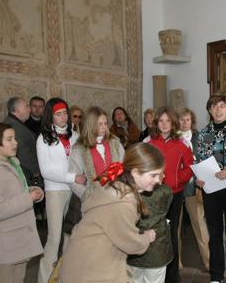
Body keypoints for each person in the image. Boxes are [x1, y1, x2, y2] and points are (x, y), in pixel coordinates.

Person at [59, 143, 160, 283]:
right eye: (153, 175)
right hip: (91, 271)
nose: (158, 180)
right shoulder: (122, 201)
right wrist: (146, 238)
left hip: (84, 262)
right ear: (136, 172)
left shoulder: (114, 183)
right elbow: (130, 242)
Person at [0, 122, 44, 283]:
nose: (15, 142)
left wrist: (32, 191)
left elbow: (13, 193)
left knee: (19, 279)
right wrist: (28, 198)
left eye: (14, 138)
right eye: (9, 139)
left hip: (17, 238)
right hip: (5, 242)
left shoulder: (11, 164)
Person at [196, 94, 226, 283]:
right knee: (215, 233)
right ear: (209, 110)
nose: (218, 109)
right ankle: (216, 275)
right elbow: (199, 160)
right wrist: (198, 179)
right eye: (215, 106)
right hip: (211, 189)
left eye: (222, 106)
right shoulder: (203, 133)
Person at [36, 98, 86, 283]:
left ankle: (65, 277)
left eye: (65, 112)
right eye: (58, 114)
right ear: (50, 116)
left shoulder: (74, 135)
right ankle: (44, 279)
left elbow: (80, 160)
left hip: (75, 191)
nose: (63, 117)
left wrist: (82, 176)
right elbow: (46, 171)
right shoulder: (43, 138)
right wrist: (73, 177)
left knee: (70, 237)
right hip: (55, 191)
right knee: (54, 238)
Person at [147, 107, 194, 283]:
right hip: (155, 195)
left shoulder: (181, 144)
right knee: (156, 233)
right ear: (156, 124)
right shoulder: (151, 145)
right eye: (161, 121)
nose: (164, 124)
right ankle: (155, 271)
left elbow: (189, 166)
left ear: (173, 123)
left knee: (172, 233)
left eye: (168, 121)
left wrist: (179, 180)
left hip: (175, 194)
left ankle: (172, 276)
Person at [64, 106, 125, 240]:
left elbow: (122, 167)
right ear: (91, 125)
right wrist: (88, 195)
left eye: (105, 123)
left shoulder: (114, 142)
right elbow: (73, 179)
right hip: (92, 202)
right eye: (100, 124)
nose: (104, 127)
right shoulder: (79, 147)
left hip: (114, 199)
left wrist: (114, 188)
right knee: (94, 241)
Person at [177, 107, 210, 271]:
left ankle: (208, 261)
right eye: (181, 119)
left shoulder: (200, 137)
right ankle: (176, 262)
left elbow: (205, 160)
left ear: (192, 121)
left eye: (187, 119)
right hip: (175, 188)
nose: (184, 123)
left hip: (194, 188)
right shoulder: (172, 139)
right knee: (174, 227)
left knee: (200, 225)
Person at [127, 182, 173, 283]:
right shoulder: (165, 191)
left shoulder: (125, 191)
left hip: (132, 244)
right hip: (157, 247)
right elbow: (166, 207)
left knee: (134, 279)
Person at [3, 97, 41, 184]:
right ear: (16, 110)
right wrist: (36, 170)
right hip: (26, 174)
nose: (29, 110)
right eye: (26, 107)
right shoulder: (13, 125)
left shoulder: (16, 123)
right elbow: (22, 151)